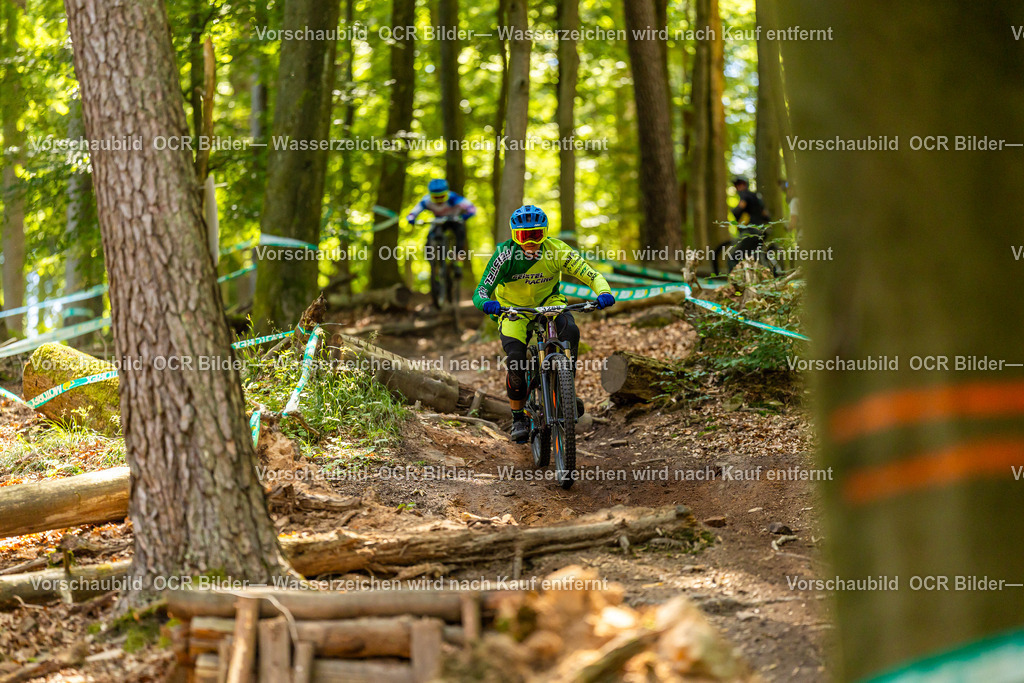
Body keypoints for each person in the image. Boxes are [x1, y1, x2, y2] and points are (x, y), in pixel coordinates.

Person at [473, 205, 615, 443]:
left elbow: (591, 275)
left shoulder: (557, 250)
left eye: (536, 235)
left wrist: (604, 292)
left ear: (545, 234)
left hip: (550, 302)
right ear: (513, 236)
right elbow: (481, 291)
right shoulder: (504, 255)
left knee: (570, 330)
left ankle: (565, 390)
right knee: (516, 361)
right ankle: (518, 417)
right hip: (513, 309)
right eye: (523, 236)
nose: (529, 242)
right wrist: (487, 304)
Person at [406, 178, 477, 267]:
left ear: (446, 193)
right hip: (439, 221)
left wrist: (465, 216)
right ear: (431, 195)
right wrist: (411, 218)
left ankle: (459, 256)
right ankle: (432, 262)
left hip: (454, 219)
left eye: (442, 196)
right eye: (436, 197)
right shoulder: (426, 201)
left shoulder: (453, 198)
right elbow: (413, 212)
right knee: (430, 237)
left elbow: (471, 208)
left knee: (460, 232)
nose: (439, 200)